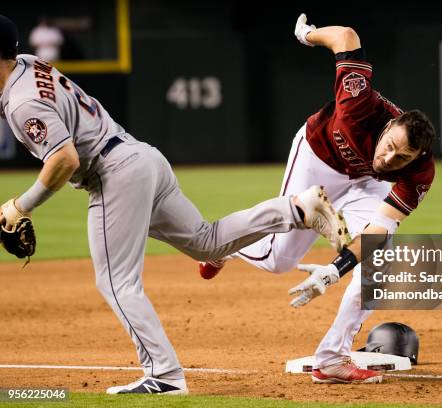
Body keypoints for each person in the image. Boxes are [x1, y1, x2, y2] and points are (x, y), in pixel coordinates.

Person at [0, 14, 349, 395]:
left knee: (117, 282)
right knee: (207, 242)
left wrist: (22, 205)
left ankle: (164, 375)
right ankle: (297, 209)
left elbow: (64, 159)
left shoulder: (22, 103)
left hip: (112, 173)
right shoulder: (29, 64)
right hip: (141, 157)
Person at [199, 14, 436, 384]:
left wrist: (334, 269)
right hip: (318, 157)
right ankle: (223, 245)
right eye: (390, 147)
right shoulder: (360, 102)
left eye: (401, 158)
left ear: (417, 158)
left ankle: (332, 357)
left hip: (364, 182)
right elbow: (345, 35)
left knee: (382, 254)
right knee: (279, 261)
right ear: (389, 126)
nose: (389, 159)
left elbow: (377, 230)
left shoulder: (418, 173)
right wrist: (308, 35)